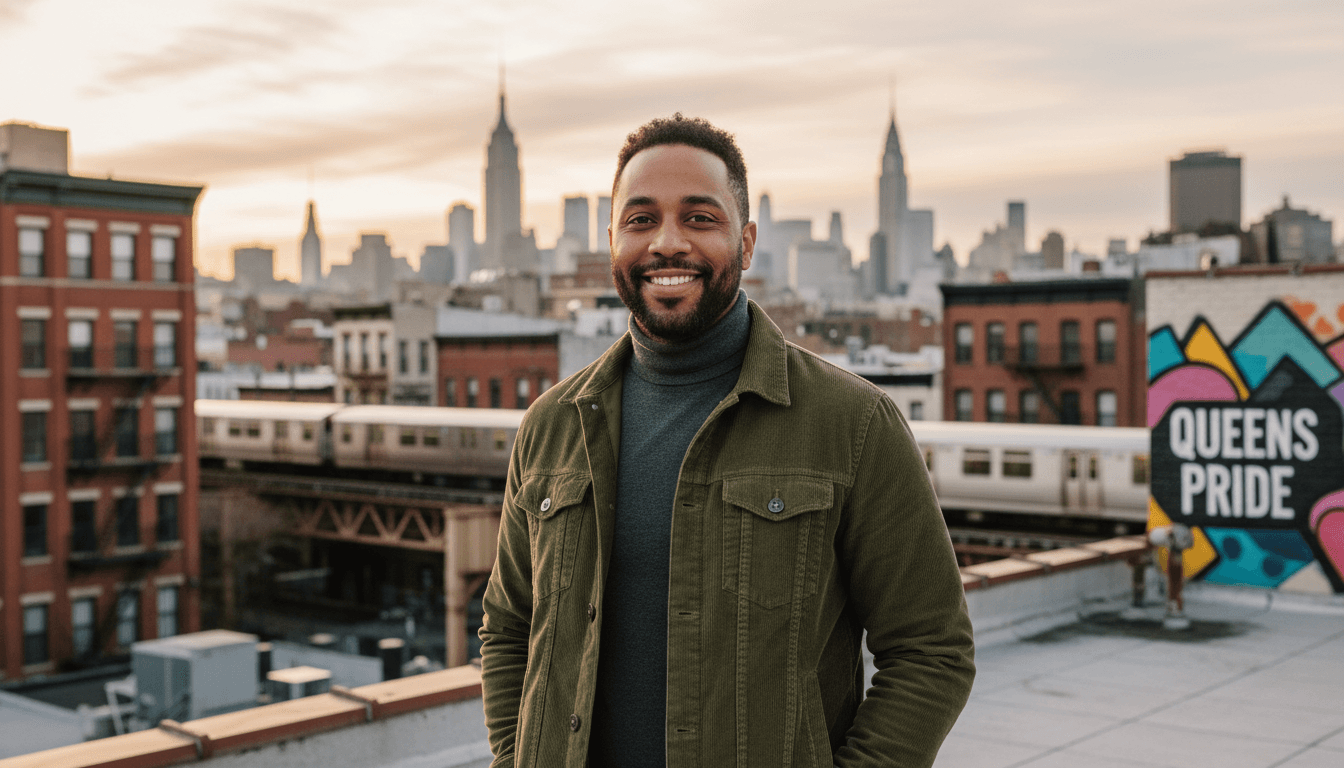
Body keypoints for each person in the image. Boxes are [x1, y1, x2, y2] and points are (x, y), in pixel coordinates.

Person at [479, 114, 974, 767]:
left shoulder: (853, 424)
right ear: (610, 242)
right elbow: (511, 628)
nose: (667, 242)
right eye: (641, 219)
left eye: (700, 217)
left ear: (745, 241)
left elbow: (932, 651)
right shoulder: (552, 426)